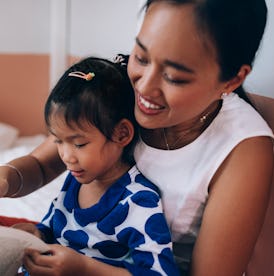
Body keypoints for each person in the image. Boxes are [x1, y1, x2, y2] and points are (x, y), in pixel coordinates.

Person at [0, 0, 274, 275]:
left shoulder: (244, 149)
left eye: (174, 77)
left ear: (231, 81)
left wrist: (83, 270)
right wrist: (7, 178)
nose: (143, 86)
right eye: (141, 57)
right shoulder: (116, 86)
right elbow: (41, 164)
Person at [11, 56, 179, 276]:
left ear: (122, 134)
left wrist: (84, 268)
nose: (66, 156)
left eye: (79, 144)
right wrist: (37, 234)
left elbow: (161, 273)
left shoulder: (138, 201)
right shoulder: (75, 180)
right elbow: (53, 228)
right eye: (59, 141)